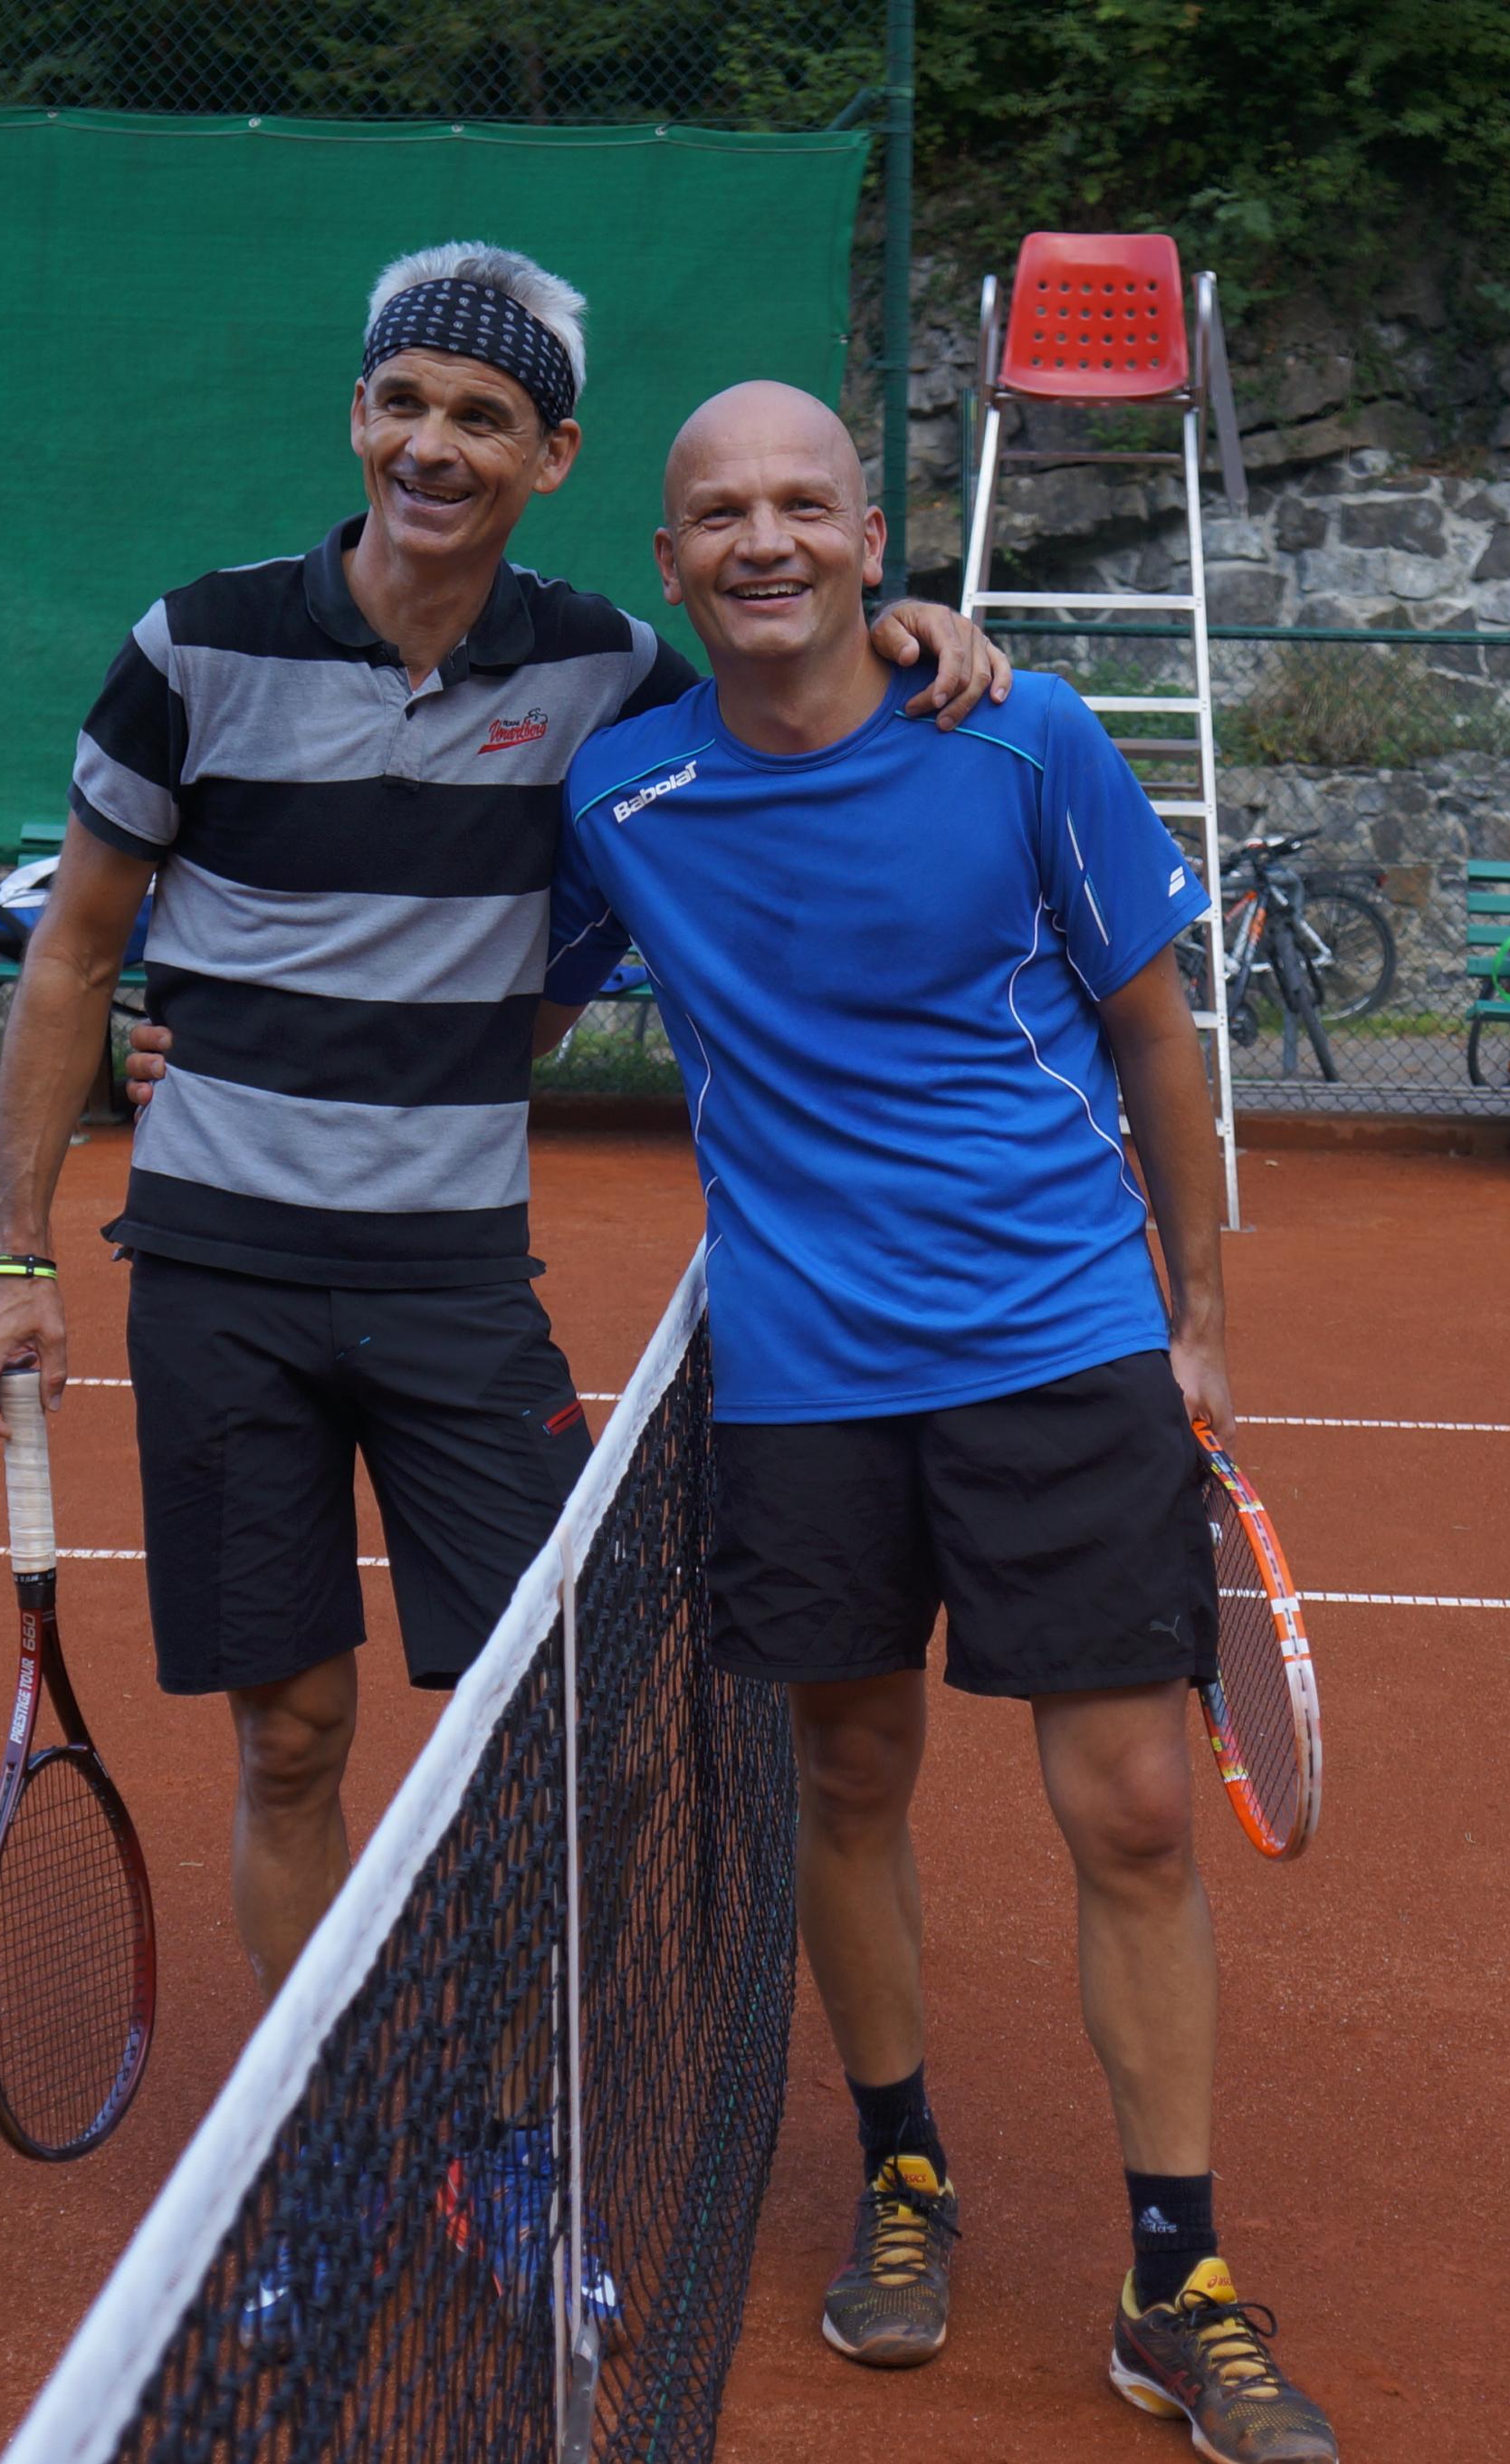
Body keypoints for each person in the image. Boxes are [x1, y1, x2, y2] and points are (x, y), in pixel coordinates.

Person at [0, 243, 1009, 2004]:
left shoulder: (604, 672)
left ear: (551, 455)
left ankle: (509, 2092)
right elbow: (73, 953)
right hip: (216, 1271)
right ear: (357, 416)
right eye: (404, 403)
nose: (432, 445)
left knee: (560, 1707)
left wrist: (900, 633)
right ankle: (330, 2118)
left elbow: (783, 705)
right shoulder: (191, 646)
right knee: (290, 1732)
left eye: (482, 416)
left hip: (450, 1278)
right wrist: (12, 1258)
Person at [539, 381, 1340, 2462]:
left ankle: (1178, 2280)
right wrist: (203, 1038)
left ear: (871, 535)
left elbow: (1152, 1028)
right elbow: (475, 1000)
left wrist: (1201, 1320)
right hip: (803, 1374)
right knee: (848, 1770)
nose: (766, 540)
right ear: (667, 561)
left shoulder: (1022, 734)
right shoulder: (619, 795)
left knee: (1136, 1807)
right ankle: (903, 2164)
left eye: (804, 503)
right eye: (722, 513)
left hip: (1061, 1342)